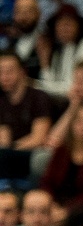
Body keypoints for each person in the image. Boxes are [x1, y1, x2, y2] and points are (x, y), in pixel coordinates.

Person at [0, 53, 52, 183]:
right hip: (9, 156)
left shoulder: (39, 97)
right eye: (1, 72)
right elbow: (4, 139)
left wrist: (10, 150)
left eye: (9, 71)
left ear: (23, 71)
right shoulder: (2, 102)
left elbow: (38, 139)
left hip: (33, 154)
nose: (4, 77)